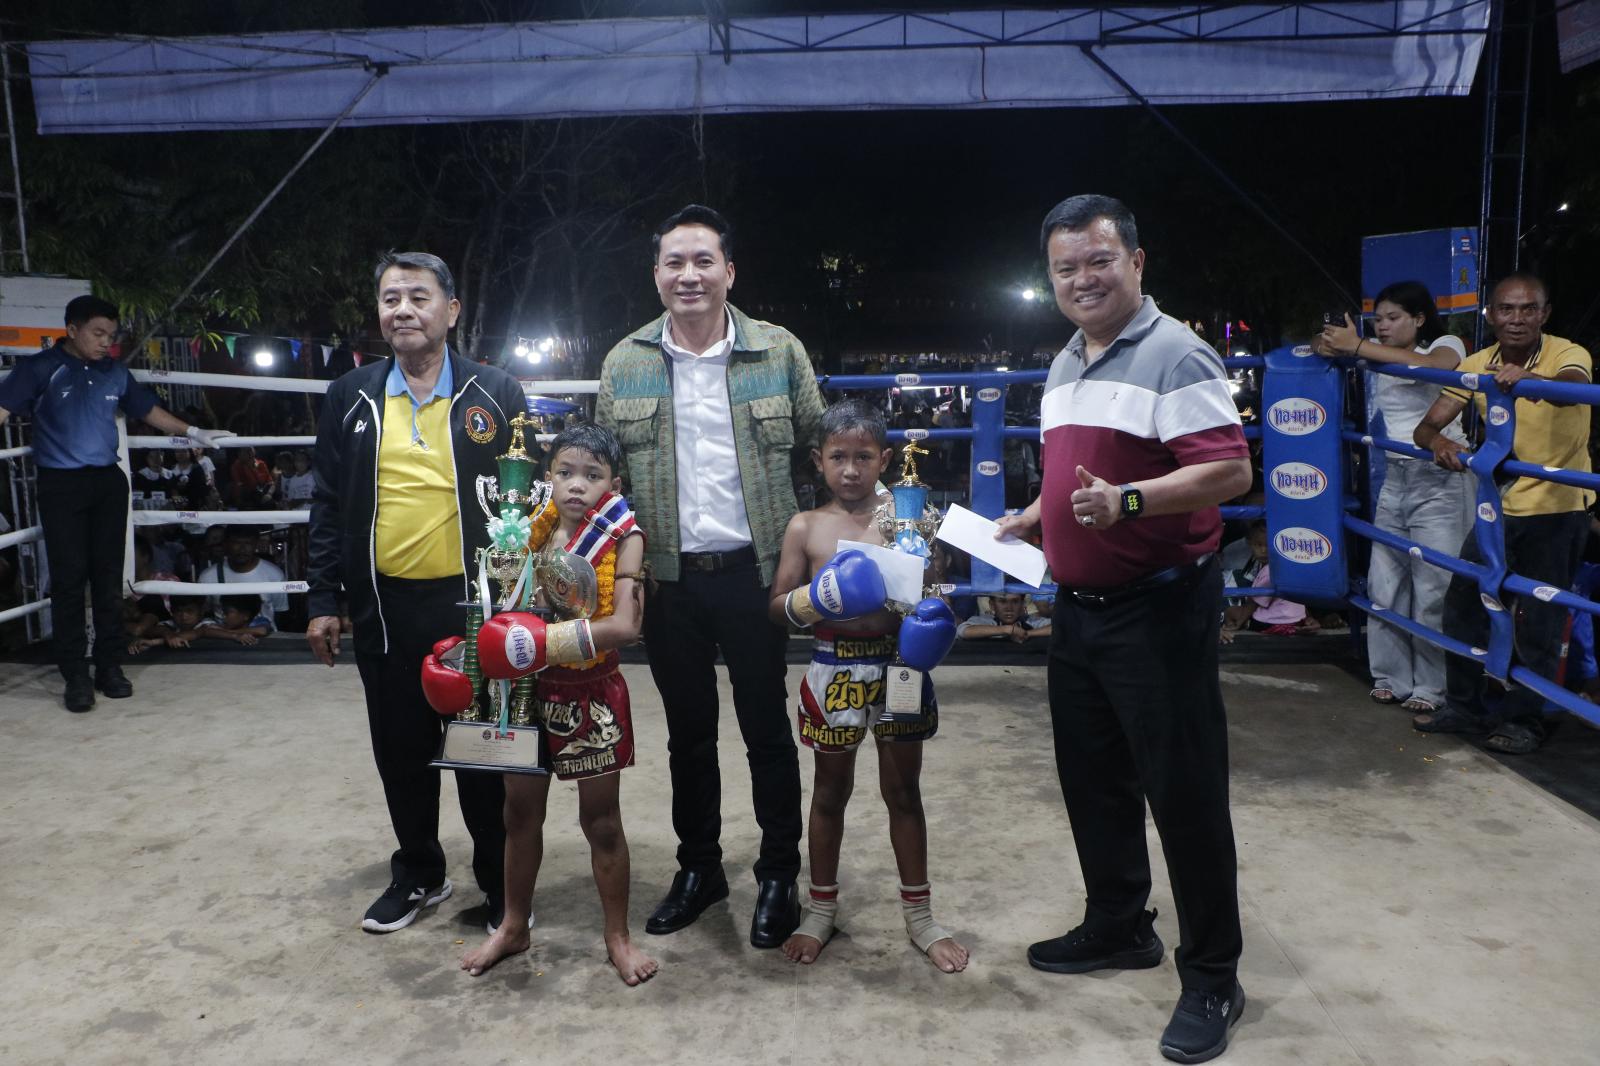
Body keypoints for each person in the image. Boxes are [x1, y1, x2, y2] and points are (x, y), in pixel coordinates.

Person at [995, 195, 1253, 1064]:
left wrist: (1130, 503)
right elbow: (1082, 470)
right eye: (1065, 268)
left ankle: (1213, 976)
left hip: (1160, 607)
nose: (1083, 279)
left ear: (1136, 262)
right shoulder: (1068, 358)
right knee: (1094, 781)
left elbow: (1228, 470)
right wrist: (1036, 515)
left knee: (1184, 796)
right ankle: (1118, 924)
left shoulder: (1176, 351)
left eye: (1099, 261)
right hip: (1080, 607)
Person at [595, 204, 826, 948]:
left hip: (758, 576)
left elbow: (821, 453)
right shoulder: (625, 361)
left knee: (766, 728)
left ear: (730, 270)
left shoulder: (778, 351)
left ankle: (779, 874)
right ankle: (699, 868)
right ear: (656, 274)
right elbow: (606, 482)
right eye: (674, 262)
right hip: (668, 581)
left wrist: (845, 548)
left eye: (703, 261)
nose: (688, 274)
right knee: (688, 734)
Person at [306, 251, 526, 935]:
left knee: (483, 752)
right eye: (391, 298)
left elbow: (525, 505)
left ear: (451, 310)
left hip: (474, 607)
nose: (403, 310)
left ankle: (500, 885)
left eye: (418, 297)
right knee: (400, 751)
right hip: (384, 606)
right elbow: (326, 503)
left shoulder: (497, 392)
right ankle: (420, 874)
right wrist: (322, 600)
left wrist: (523, 603)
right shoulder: (351, 395)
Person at [452, 424, 658, 985]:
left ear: (614, 485)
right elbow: (502, 607)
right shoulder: (527, 530)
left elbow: (626, 626)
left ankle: (617, 936)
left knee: (602, 822)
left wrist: (541, 641)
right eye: (565, 472)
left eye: (592, 475)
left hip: (590, 690)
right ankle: (513, 925)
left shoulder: (624, 537)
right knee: (518, 815)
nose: (576, 485)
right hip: (527, 689)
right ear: (548, 478)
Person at [767, 400, 966, 972]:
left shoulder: (909, 517)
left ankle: (921, 918)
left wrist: (935, 601)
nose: (850, 469)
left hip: (899, 663)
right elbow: (777, 607)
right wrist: (819, 598)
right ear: (818, 460)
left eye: (862, 457)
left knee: (904, 792)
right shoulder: (806, 526)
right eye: (838, 457)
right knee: (830, 792)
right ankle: (820, 912)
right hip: (834, 666)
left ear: (884, 459)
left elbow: (935, 591)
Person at [0, 294, 229, 712]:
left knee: (108, 580)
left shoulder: (114, 372)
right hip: (61, 483)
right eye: (98, 333)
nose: (107, 341)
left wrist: (193, 432)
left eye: (111, 334)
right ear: (72, 330)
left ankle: (110, 666)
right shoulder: (39, 369)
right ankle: (75, 674)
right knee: (69, 580)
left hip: (107, 480)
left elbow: (149, 410)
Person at [1411, 272, 1593, 754]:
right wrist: (1439, 442)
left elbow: (1573, 386)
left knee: (1539, 621)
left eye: (1528, 308)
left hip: (1557, 509)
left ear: (1544, 314)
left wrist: (1533, 380)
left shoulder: (1567, 353)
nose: (1517, 318)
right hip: (1498, 508)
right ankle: (1463, 707)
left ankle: (1524, 721)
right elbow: (1425, 428)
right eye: (1507, 309)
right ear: (1490, 314)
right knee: (1463, 605)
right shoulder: (1477, 363)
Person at [1317, 281, 1473, 712]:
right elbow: (1317, 346)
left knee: (1434, 588)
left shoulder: (1445, 343)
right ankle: (1390, 676)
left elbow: (1432, 366)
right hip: (1397, 477)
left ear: (1419, 319)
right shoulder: (1375, 351)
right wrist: (1331, 341)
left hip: (1441, 476)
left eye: (1393, 318)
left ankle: (1432, 687)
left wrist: (1358, 344)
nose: (1382, 326)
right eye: (1378, 319)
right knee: (1384, 582)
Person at [198, 525, 288, 628]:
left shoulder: (274, 574)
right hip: (223, 636)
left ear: (256, 544)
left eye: (248, 543)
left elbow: (280, 612)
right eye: (236, 543)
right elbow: (204, 612)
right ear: (226, 544)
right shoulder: (208, 576)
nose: (242, 549)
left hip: (265, 636)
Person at [956, 591, 1051, 642]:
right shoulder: (985, 621)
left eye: (1015, 601)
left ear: (1022, 604)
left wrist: (1027, 634)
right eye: (1002, 601)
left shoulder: (1030, 622)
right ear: (992, 605)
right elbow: (963, 631)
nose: (1009, 608)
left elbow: (1057, 628)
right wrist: (1008, 630)